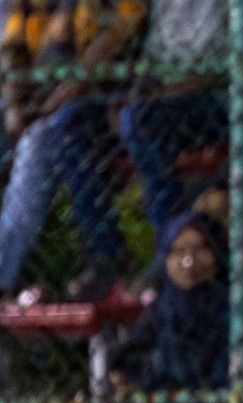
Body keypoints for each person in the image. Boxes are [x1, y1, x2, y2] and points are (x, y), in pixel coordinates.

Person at [0, 0, 145, 299]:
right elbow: (12, 49)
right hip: (43, 103)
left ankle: (105, 256)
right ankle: (7, 272)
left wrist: (58, 99)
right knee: (34, 133)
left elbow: (115, 36)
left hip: (107, 102)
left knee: (51, 133)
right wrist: (15, 106)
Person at [118, 0, 243, 244]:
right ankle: (174, 230)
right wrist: (143, 91)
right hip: (174, 100)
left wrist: (174, 88)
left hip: (233, 99)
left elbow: (233, 63)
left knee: (139, 120)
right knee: (96, 119)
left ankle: (171, 236)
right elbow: (153, 59)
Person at [83, 210, 231, 403]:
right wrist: (124, 383)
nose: (188, 260)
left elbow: (219, 379)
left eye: (200, 248)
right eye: (178, 250)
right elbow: (132, 352)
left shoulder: (230, 305)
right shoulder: (164, 305)